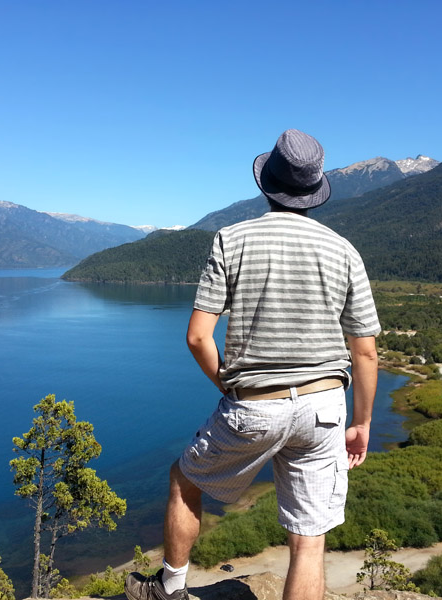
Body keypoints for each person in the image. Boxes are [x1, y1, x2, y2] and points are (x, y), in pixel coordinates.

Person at [125, 129, 381, 600]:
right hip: (326, 407)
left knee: (185, 481)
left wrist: (225, 382)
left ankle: (170, 589)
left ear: (268, 185)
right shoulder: (344, 250)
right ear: (314, 192)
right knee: (308, 539)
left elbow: (198, 336)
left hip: (256, 405)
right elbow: (364, 350)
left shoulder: (232, 238)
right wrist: (362, 421)